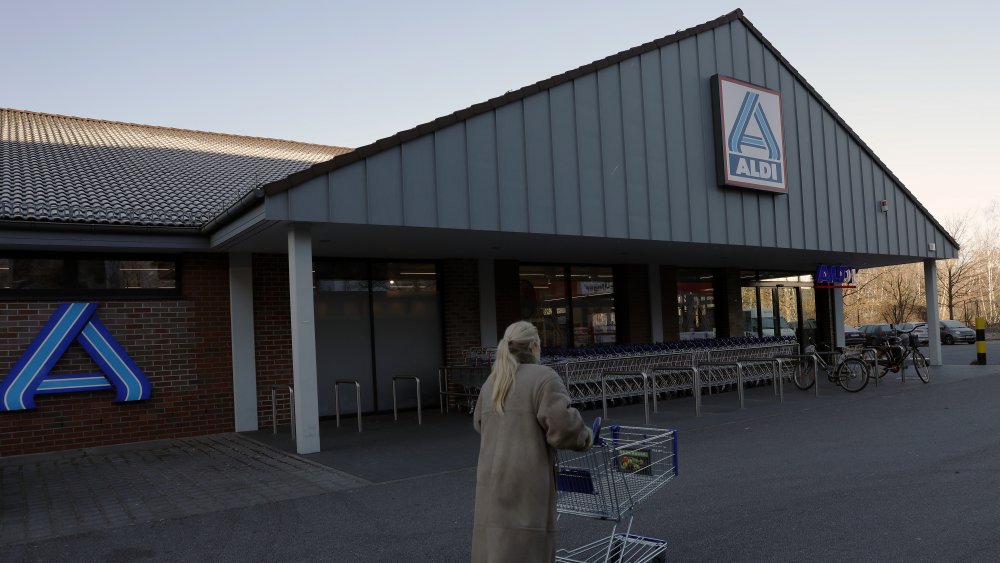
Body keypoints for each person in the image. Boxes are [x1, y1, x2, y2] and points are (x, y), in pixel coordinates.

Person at [471, 320, 593, 563]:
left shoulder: (492, 382)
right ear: (535, 346)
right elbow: (565, 428)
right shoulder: (543, 378)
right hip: (525, 486)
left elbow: (479, 424)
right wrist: (587, 436)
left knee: (496, 551)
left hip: (491, 484)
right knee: (526, 552)